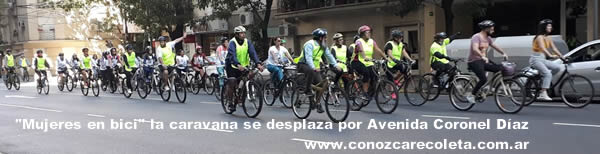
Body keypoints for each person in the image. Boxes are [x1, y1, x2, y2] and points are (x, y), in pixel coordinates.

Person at [295, 28, 340, 113]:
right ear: (320, 38)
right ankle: (307, 90)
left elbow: (329, 55)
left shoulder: (323, 46)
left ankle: (317, 103)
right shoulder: (309, 44)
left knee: (321, 85)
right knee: (311, 71)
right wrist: (313, 67)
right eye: (325, 37)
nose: (326, 39)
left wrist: (335, 65)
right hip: (303, 64)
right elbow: (308, 57)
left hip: (315, 67)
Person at [466, 20, 509, 103]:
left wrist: (503, 53)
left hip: (483, 60)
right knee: (483, 79)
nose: (493, 31)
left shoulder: (488, 38)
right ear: (486, 29)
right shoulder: (476, 37)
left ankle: (491, 88)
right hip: (474, 61)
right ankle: (472, 95)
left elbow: (494, 46)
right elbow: (475, 49)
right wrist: (482, 56)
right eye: (491, 29)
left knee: (498, 68)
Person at [224, 26, 264, 111]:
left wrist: (258, 63)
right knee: (232, 81)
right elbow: (232, 55)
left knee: (247, 79)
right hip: (232, 65)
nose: (243, 35)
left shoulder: (247, 42)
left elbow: (253, 53)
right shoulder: (232, 42)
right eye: (241, 33)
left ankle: (241, 94)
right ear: (237, 34)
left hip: (244, 66)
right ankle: (230, 102)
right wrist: (238, 64)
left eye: (244, 33)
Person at [530, 19, 563, 101]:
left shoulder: (548, 37)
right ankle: (543, 93)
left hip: (542, 59)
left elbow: (554, 48)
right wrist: (550, 55)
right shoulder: (539, 37)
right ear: (543, 27)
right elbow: (542, 48)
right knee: (548, 74)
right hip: (536, 59)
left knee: (557, 68)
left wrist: (562, 56)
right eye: (549, 26)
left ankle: (544, 78)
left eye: (551, 26)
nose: (550, 27)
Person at [352, 25, 388, 98]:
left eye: (369, 32)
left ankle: (370, 91)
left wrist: (386, 58)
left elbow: (378, 49)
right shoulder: (359, 41)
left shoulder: (372, 41)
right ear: (362, 34)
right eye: (367, 32)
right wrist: (365, 57)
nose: (369, 34)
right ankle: (364, 93)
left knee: (374, 75)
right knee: (366, 74)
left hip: (368, 62)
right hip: (357, 61)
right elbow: (361, 50)